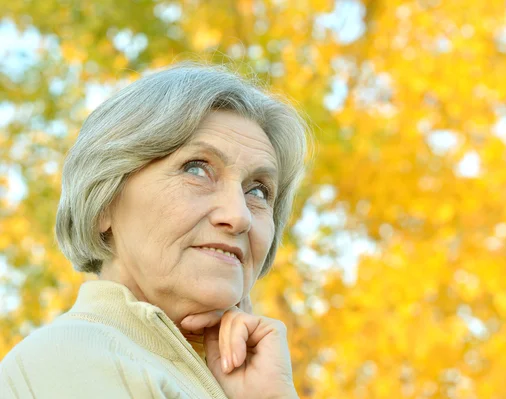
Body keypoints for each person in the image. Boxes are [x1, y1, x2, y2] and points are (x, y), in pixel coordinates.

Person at [0, 62, 309, 399]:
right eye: (197, 169)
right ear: (105, 200)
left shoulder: (213, 378)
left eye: (258, 191)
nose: (239, 216)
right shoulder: (71, 359)